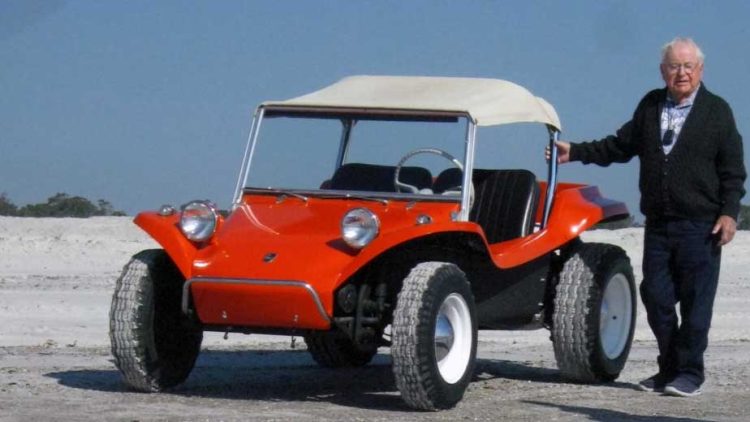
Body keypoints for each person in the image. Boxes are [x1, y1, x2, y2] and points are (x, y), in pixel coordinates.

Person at [547, 37, 746, 397]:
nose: (681, 73)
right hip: (658, 225)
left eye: (688, 66)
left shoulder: (717, 111)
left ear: (700, 70)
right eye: (674, 66)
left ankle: (690, 373)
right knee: (655, 296)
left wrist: (729, 214)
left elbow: (733, 171)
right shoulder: (651, 105)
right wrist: (575, 151)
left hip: (701, 226)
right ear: (662, 71)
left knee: (696, 304)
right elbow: (619, 146)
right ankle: (669, 368)